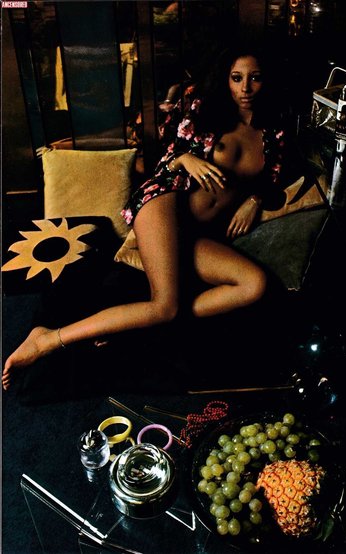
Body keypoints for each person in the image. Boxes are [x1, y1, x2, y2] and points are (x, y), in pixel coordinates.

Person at [2, 42, 285, 391]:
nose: (245, 88)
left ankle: (133, 323)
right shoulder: (207, 113)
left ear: (266, 80)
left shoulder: (274, 133)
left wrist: (255, 199)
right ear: (225, 79)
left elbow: (274, 180)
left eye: (255, 78)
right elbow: (165, 162)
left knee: (254, 284)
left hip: (197, 233)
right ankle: (48, 338)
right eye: (236, 77)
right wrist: (184, 159)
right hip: (164, 205)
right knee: (164, 306)